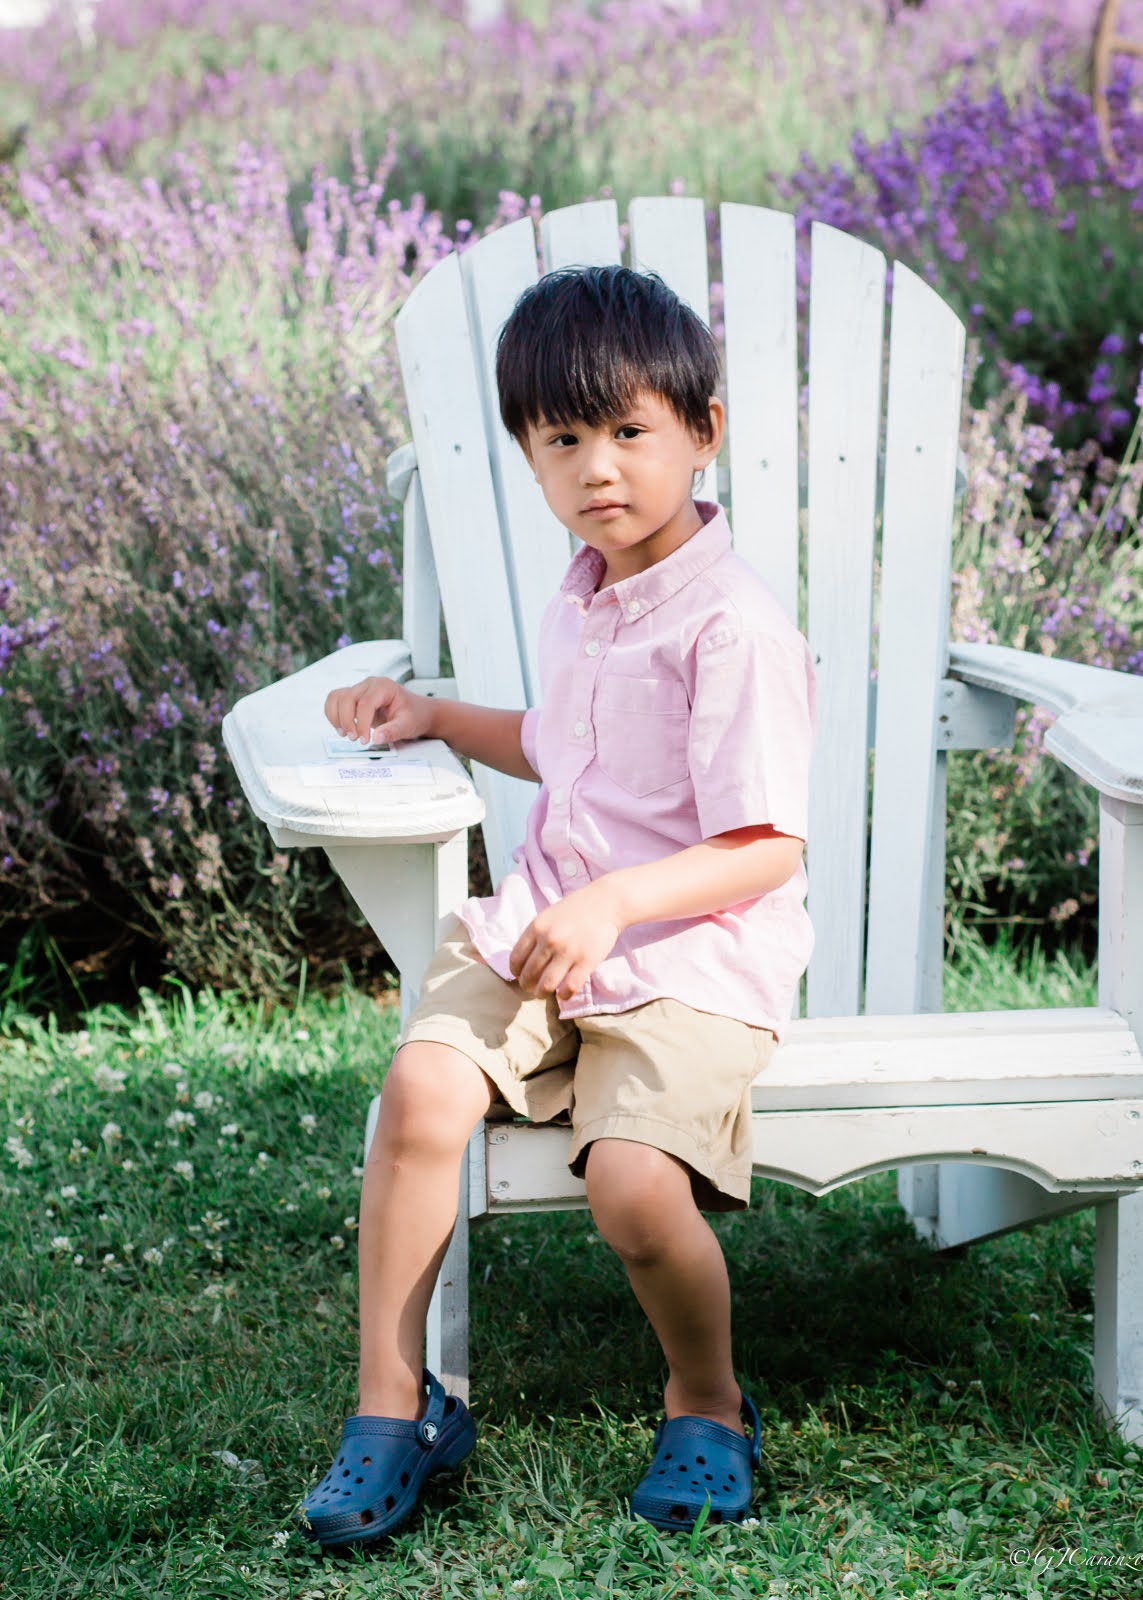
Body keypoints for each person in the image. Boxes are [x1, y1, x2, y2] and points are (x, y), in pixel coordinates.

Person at [299, 263, 817, 1549]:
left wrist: (619, 904)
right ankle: (393, 1406)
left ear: (703, 433)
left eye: (631, 431)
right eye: (563, 440)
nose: (599, 468)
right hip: (549, 923)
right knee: (420, 1093)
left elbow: (765, 844)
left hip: (689, 955)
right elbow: (566, 743)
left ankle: (707, 1398)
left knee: (637, 1187)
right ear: (531, 458)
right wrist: (432, 716)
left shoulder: (732, 627)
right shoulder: (587, 593)